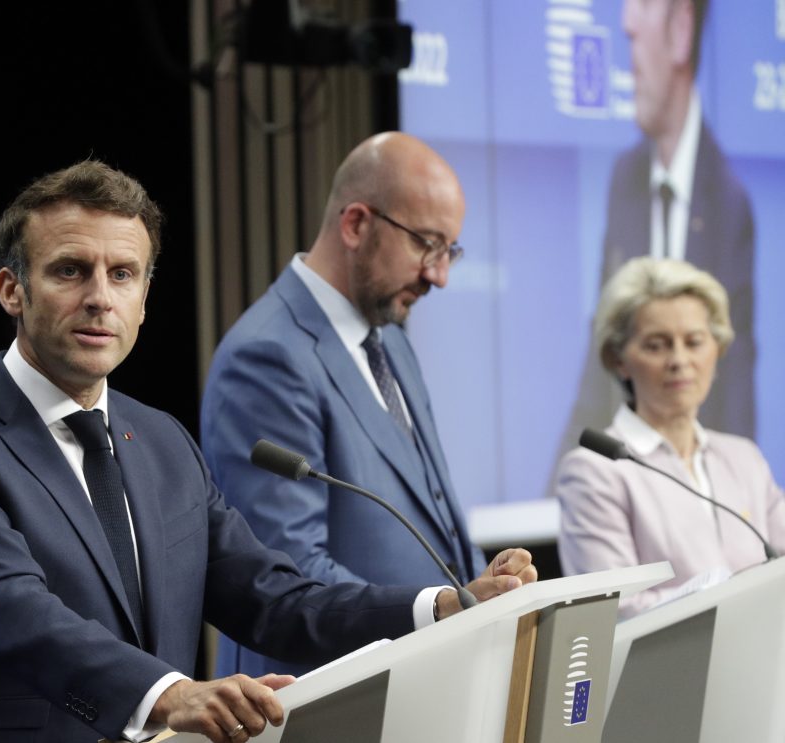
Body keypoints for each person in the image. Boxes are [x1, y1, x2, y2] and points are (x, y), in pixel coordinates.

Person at [0, 160, 536, 743]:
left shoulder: (163, 441)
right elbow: (9, 612)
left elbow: (273, 599)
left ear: (144, 299)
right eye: (70, 271)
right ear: (11, 290)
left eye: (123, 274)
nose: (100, 298)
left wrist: (442, 605)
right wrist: (171, 694)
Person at [200, 132, 535, 678]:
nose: (439, 275)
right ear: (356, 224)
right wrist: (440, 609)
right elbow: (288, 578)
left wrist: (484, 584)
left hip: (425, 681)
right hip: (326, 696)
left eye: (450, 251)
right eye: (427, 245)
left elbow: (431, 510)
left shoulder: (389, 337)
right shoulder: (266, 357)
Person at [558, 0, 755, 474]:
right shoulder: (625, 179)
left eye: (644, 4)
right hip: (624, 469)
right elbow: (597, 367)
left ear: (682, 29)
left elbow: (738, 391)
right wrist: (561, 479)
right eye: (657, 345)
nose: (627, 21)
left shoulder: (729, 200)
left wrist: (725, 479)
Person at [556, 257, 785, 618]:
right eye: (656, 345)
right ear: (618, 358)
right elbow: (615, 611)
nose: (679, 360)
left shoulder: (744, 458)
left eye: (694, 342)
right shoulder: (594, 471)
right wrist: (730, 601)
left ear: (717, 349)